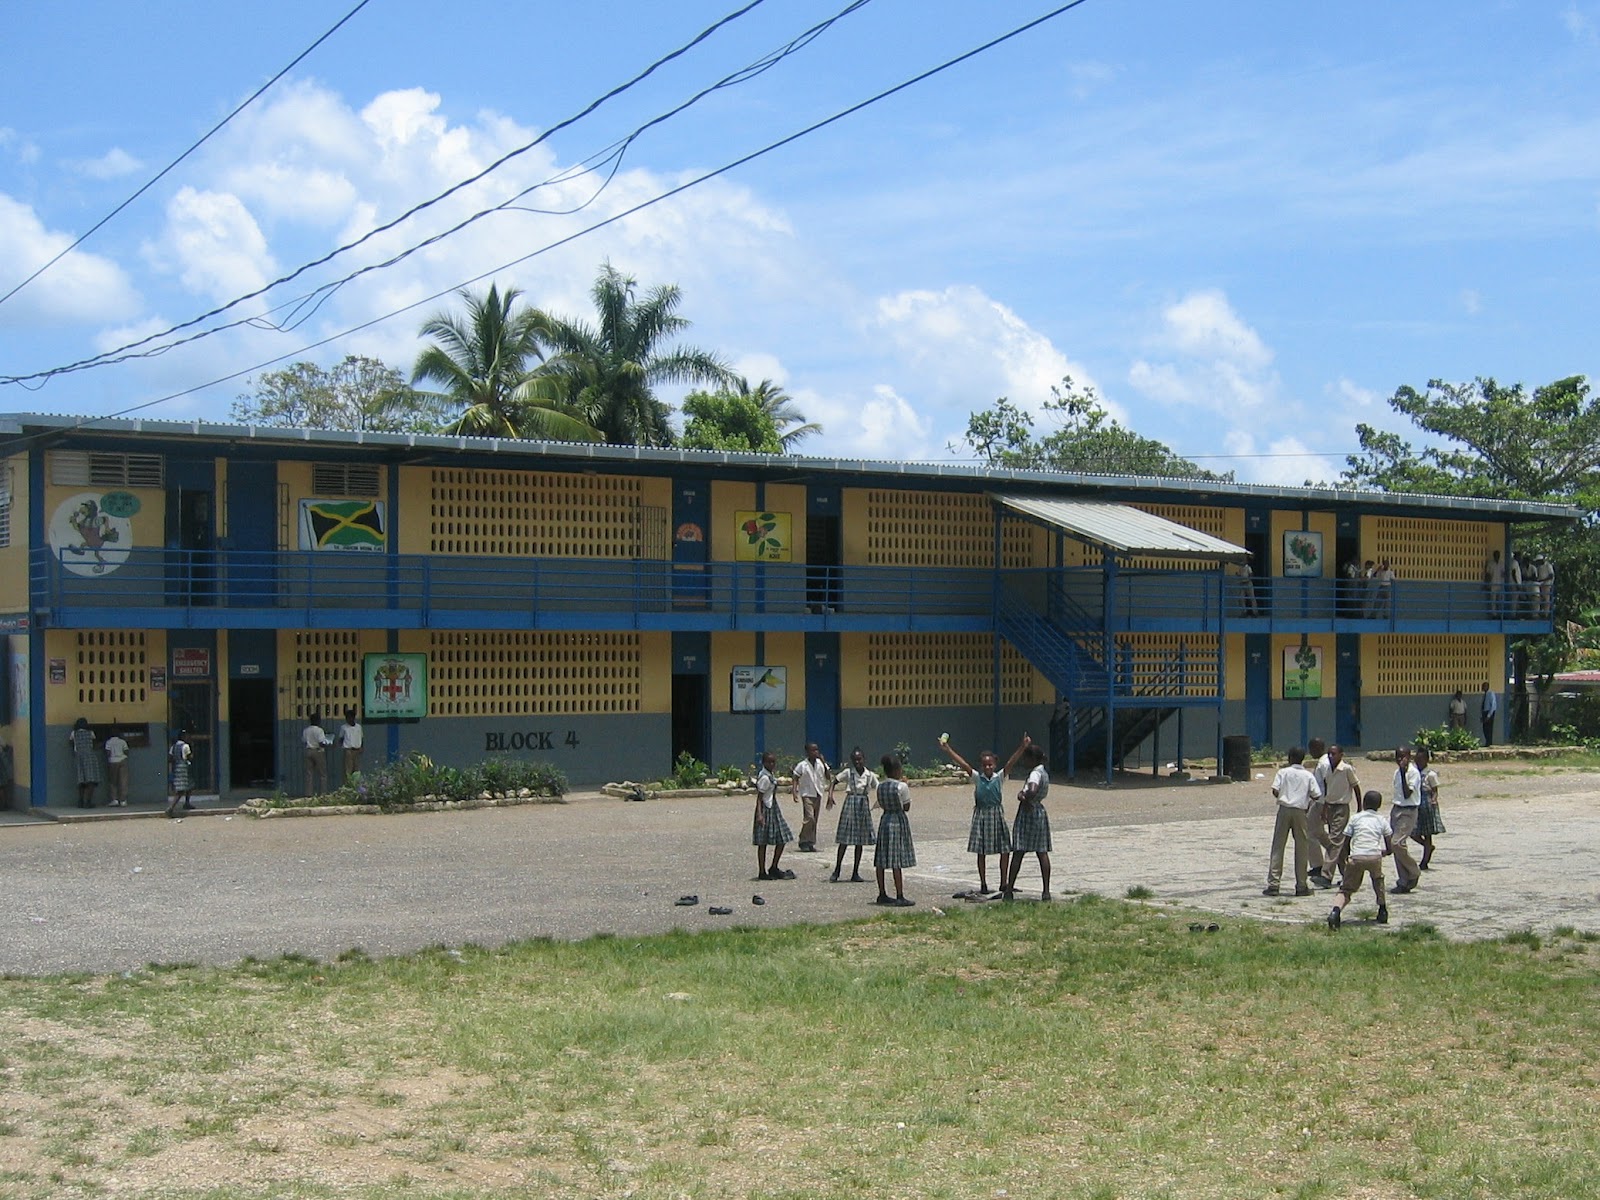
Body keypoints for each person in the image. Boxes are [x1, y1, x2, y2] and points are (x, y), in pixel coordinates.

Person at [937, 733, 1028, 896]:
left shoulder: (999, 778)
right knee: (981, 851)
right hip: (981, 816)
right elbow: (963, 764)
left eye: (990, 765)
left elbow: (1011, 762)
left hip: (996, 814)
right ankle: (983, 883)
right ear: (981, 766)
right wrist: (948, 750)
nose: (987, 768)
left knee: (1005, 849)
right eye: (985, 765)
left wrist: (1022, 747)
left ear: (994, 765)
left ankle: (1004, 882)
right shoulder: (977, 778)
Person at [1326, 790, 1392, 930]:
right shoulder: (1381, 820)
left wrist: (1348, 856)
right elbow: (1389, 841)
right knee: (1378, 880)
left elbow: (1346, 840)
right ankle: (1382, 909)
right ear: (1379, 805)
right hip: (1374, 855)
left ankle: (1335, 911)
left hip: (1357, 856)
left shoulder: (1355, 818)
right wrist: (1385, 852)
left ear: (1363, 803)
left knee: (1346, 889)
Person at [1264, 746, 1321, 896]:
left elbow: (1275, 790)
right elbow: (1317, 795)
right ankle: (1301, 885)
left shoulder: (1283, 772)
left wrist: (1285, 795)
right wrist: (1304, 797)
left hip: (1284, 809)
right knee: (1302, 848)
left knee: (1278, 846)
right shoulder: (1308, 776)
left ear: (1289, 758)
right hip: (1301, 811)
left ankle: (1274, 884)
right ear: (1303, 759)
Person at [1003, 737, 1053, 901]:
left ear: (1032, 759)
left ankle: (1009, 889)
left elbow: (1032, 789)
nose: (1024, 761)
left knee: (1019, 851)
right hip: (1039, 812)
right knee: (1042, 852)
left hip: (1029, 813)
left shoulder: (1034, 774)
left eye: (1026, 758)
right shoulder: (1043, 772)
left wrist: (1023, 796)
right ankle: (1046, 891)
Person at [1309, 740, 1361, 888]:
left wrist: (1360, 807)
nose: (1331, 756)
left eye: (1334, 754)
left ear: (1341, 755)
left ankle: (1326, 875)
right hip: (1330, 806)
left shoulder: (1346, 769)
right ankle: (1347, 876)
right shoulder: (1328, 770)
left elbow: (1356, 787)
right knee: (1341, 845)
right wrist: (1325, 810)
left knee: (1335, 841)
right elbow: (1328, 792)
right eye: (1330, 754)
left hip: (1341, 808)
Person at [827, 746, 876, 883]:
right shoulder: (848, 773)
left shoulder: (869, 775)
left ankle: (855, 871)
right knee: (845, 838)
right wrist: (830, 795)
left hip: (863, 804)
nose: (857, 762)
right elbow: (834, 781)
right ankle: (837, 870)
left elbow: (879, 787)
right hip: (850, 802)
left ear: (864, 759)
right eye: (855, 760)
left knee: (859, 841)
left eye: (859, 759)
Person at [872, 753, 916, 907]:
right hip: (897, 820)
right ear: (897, 770)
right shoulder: (901, 786)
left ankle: (882, 893)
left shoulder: (880, 786)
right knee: (896, 858)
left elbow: (882, 803)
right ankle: (900, 894)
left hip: (885, 820)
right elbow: (906, 807)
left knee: (882, 858)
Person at [753, 750, 796, 881]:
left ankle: (774, 867)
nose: (772, 764)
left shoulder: (770, 775)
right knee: (763, 842)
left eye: (773, 762)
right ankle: (762, 871)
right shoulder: (765, 778)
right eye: (769, 762)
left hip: (773, 808)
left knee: (782, 838)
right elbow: (759, 798)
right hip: (766, 810)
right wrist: (759, 815)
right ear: (763, 763)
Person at [1388, 745, 1423, 893]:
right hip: (1397, 808)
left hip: (1409, 810)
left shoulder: (1413, 773)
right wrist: (1400, 772)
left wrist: (1404, 774)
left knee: (1397, 843)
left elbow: (1408, 793)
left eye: (1403, 757)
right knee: (1396, 845)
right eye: (1398, 757)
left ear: (1409, 757)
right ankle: (1403, 880)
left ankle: (1414, 871)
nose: (1400, 760)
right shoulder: (1397, 772)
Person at [791, 742, 830, 853]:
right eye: (813, 750)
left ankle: (810, 842)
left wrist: (823, 762)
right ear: (807, 752)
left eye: (817, 750)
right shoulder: (802, 765)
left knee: (814, 820)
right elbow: (795, 777)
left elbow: (828, 776)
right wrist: (794, 792)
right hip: (807, 793)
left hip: (818, 793)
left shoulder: (821, 763)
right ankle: (803, 840)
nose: (815, 752)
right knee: (809, 818)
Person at [1412, 747, 1446, 871]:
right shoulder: (1414, 772)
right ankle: (1428, 847)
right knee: (1413, 832)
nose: (1418, 762)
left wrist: (1434, 799)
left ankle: (1424, 861)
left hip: (1427, 804)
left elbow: (1435, 790)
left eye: (1421, 760)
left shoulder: (1431, 774)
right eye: (1417, 760)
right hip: (1416, 803)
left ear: (1426, 760)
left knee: (1427, 833)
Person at [68, 717, 101, 808]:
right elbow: (94, 744)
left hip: (78, 757)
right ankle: (88, 801)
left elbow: (71, 743)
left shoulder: (73, 733)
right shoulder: (90, 733)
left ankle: (81, 801)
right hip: (90, 757)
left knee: (81, 781)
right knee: (91, 780)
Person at [302, 713, 332, 797]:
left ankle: (309, 794)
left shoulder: (306, 730)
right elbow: (321, 743)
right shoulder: (319, 730)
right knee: (323, 774)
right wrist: (328, 744)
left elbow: (304, 741)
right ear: (318, 720)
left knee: (309, 773)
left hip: (308, 750)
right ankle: (323, 793)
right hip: (318, 751)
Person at [166, 731, 194, 817]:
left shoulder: (173, 747)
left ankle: (187, 803)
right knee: (181, 790)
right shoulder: (186, 746)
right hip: (184, 768)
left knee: (190, 784)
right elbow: (190, 757)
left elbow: (170, 759)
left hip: (176, 768)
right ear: (184, 737)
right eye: (187, 736)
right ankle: (170, 808)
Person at [103, 728, 130, 807]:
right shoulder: (122, 741)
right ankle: (123, 800)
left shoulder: (108, 742)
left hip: (112, 761)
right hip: (122, 760)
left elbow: (108, 752)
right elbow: (126, 751)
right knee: (123, 781)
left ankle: (114, 799)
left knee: (113, 782)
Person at [338, 707, 364, 780]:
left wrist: (362, 747)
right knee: (348, 770)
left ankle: (356, 786)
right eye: (347, 718)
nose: (348, 719)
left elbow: (361, 738)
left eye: (349, 717)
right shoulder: (343, 727)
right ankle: (347, 786)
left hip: (357, 750)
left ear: (353, 718)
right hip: (348, 750)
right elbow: (341, 738)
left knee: (356, 770)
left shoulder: (359, 727)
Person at [1484, 549, 1505, 616]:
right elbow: (1488, 574)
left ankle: (1500, 614)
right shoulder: (1490, 563)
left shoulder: (1502, 563)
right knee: (1493, 600)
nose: (1497, 556)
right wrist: (1486, 584)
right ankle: (1494, 614)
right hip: (1493, 584)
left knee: (1500, 600)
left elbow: (1503, 573)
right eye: (1496, 555)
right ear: (1494, 556)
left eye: (1498, 555)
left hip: (1500, 583)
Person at [1480, 682, 1498, 747]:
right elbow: (1483, 705)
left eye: (1484, 686)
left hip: (1489, 712)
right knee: (1484, 728)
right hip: (1485, 712)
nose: (1482, 688)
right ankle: (1487, 741)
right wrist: (1482, 715)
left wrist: (1489, 715)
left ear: (1487, 686)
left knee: (1489, 728)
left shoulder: (1491, 694)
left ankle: (1489, 742)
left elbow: (1493, 705)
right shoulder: (1484, 695)